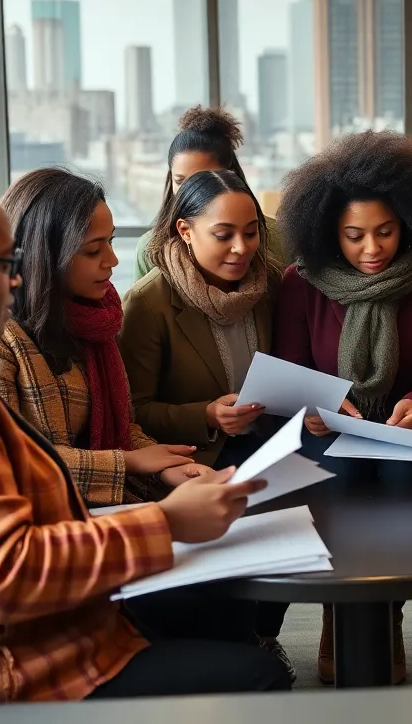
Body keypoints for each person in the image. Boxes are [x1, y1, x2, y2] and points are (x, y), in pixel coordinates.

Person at [0, 167, 289, 703]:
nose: (14, 281)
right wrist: (168, 521)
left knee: (209, 610)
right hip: (6, 668)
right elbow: (5, 574)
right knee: (256, 678)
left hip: (0, 635)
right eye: (2, 265)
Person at [270, 130, 412, 686]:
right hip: (329, 431)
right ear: (329, 231)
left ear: (408, 223)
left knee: (403, 490)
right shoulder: (300, 284)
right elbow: (291, 370)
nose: (371, 249)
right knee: (341, 482)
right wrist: (317, 406)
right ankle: (340, 615)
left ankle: (389, 617)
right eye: (353, 236)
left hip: (409, 430)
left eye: (385, 232)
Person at [120, 169, 288, 679]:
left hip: (270, 440)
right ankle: (241, 647)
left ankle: (263, 635)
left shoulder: (274, 283)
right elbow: (133, 411)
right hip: (200, 456)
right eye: (224, 235)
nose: (242, 248)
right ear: (184, 231)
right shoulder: (150, 303)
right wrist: (207, 415)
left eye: (252, 231)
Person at [0, 167, 203, 508]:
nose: (112, 260)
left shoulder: (95, 320)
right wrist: (130, 463)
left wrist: (167, 465)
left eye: (111, 242)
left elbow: (121, 426)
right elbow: (11, 459)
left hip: (105, 505)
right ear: (42, 256)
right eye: (92, 251)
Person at [132, 106, 282, 281]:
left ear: (229, 176)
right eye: (180, 181)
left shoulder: (276, 238)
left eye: (205, 180)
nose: (190, 191)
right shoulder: (150, 250)